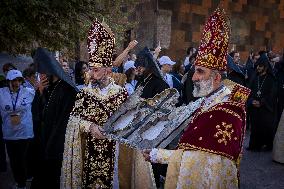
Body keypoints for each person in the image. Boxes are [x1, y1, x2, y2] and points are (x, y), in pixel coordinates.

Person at [142, 8, 250, 189]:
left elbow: (202, 161)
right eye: (194, 71)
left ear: (216, 77)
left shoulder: (228, 111)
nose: (193, 78)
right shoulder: (208, 101)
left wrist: (158, 155)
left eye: (200, 72)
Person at [61, 20, 129, 189]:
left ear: (108, 70)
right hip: (89, 153)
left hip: (116, 153)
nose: (90, 73)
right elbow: (72, 121)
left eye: (95, 69)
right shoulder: (84, 94)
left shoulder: (121, 94)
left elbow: (130, 122)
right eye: (90, 68)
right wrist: (90, 127)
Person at [31, 48, 78, 189]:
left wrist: (51, 146)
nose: (41, 77)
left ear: (50, 71)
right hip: (45, 142)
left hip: (56, 147)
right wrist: (39, 93)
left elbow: (62, 123)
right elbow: (38, 114)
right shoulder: (49, 89)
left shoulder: (67, 90)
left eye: (42, 73)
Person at [0, 70, 35, 189]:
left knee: (22, 158)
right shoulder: (1, 93)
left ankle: (22, 183)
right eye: (14, 80)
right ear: (8, 81)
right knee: (13, 159)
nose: (17, 83)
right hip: (9, 132)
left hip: (24, 131)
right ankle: (19, 181)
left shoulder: (29, 92)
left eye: (19, 80)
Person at [247, 53, 277, 151]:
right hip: (254, 107)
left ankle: (266, 145)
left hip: (265, 108)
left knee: (265, 126)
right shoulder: (255, 77)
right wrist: (252, 101)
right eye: (257, 66)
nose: (258, 68)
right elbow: (249, 91)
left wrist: (262, 102)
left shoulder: (271, 80)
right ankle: (254, 145)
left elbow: (272, 95)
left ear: (265, 67)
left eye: (260, 66)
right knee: (255, 127)